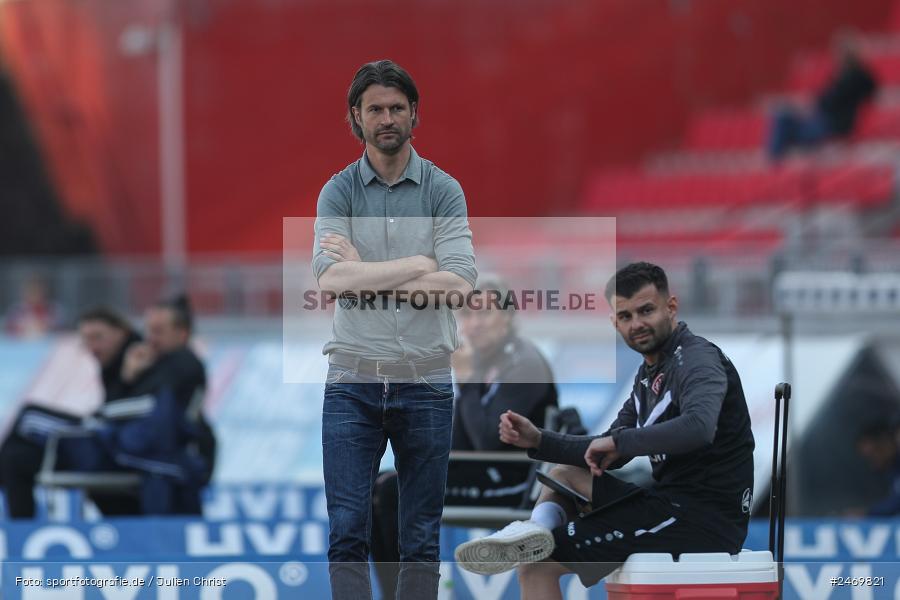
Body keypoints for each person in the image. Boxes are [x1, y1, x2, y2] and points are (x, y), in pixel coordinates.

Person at [454, 262, 755, 600]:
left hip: (700, 520)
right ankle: (534, 531)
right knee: (565, 473)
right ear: (614, 322)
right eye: (625, 317)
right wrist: (539, 439)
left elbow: (699, 428)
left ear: (671, 307)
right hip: (667, 504)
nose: (636, 324)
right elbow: (605, 451)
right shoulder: (648, 374)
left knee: (537, 568)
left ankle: (536, 538)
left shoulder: (698, 360)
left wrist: (620, 441)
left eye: (646, 311)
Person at [312, 59, 477, 600]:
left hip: (425, 379)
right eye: (375, 109)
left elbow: (459, 286)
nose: (387, 118)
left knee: (421, 537)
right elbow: (334, 280)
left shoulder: (443, 189)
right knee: (346, 532)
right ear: (354, 118)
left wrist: (368, 270)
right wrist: (420, 264)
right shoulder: (337, 193)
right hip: (352, 382)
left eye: (397, 108)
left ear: (415, 116)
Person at [370, 277, 558, 599]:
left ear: (508, 317)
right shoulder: (489, 360)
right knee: (378, 486)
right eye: (467, 316)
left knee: (389, 493)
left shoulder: (524, 362)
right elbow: (461, 437)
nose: (473, 324)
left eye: (484, 314)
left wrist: (467, 379)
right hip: (481, 470)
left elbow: (489, 442)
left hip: (512, 481)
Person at [0, 307, 142, 517]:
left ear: (121, 332)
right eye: (86, 339)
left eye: (98, 337)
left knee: (29, 415)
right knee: (14, 458)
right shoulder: (111, 363)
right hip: (101, 438)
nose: (92, 346)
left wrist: (129, 379)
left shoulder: (137, 358)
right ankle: (20, 535)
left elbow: (124, 411)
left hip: (108, 444)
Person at [768, 32, 877, 161]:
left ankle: (774, 163)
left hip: (833, 126)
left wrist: (808, 107)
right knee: (784, 117)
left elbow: (830, 101)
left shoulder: (854, 77)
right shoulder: (843, 75)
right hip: (824, 121)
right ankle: (775, 162)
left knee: (784, 120)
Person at [854, 421, 900, 516]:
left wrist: (868, 513)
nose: (871, 462)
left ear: (886, 442)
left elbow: (897, 502)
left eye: (873, 453)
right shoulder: (892, 471)